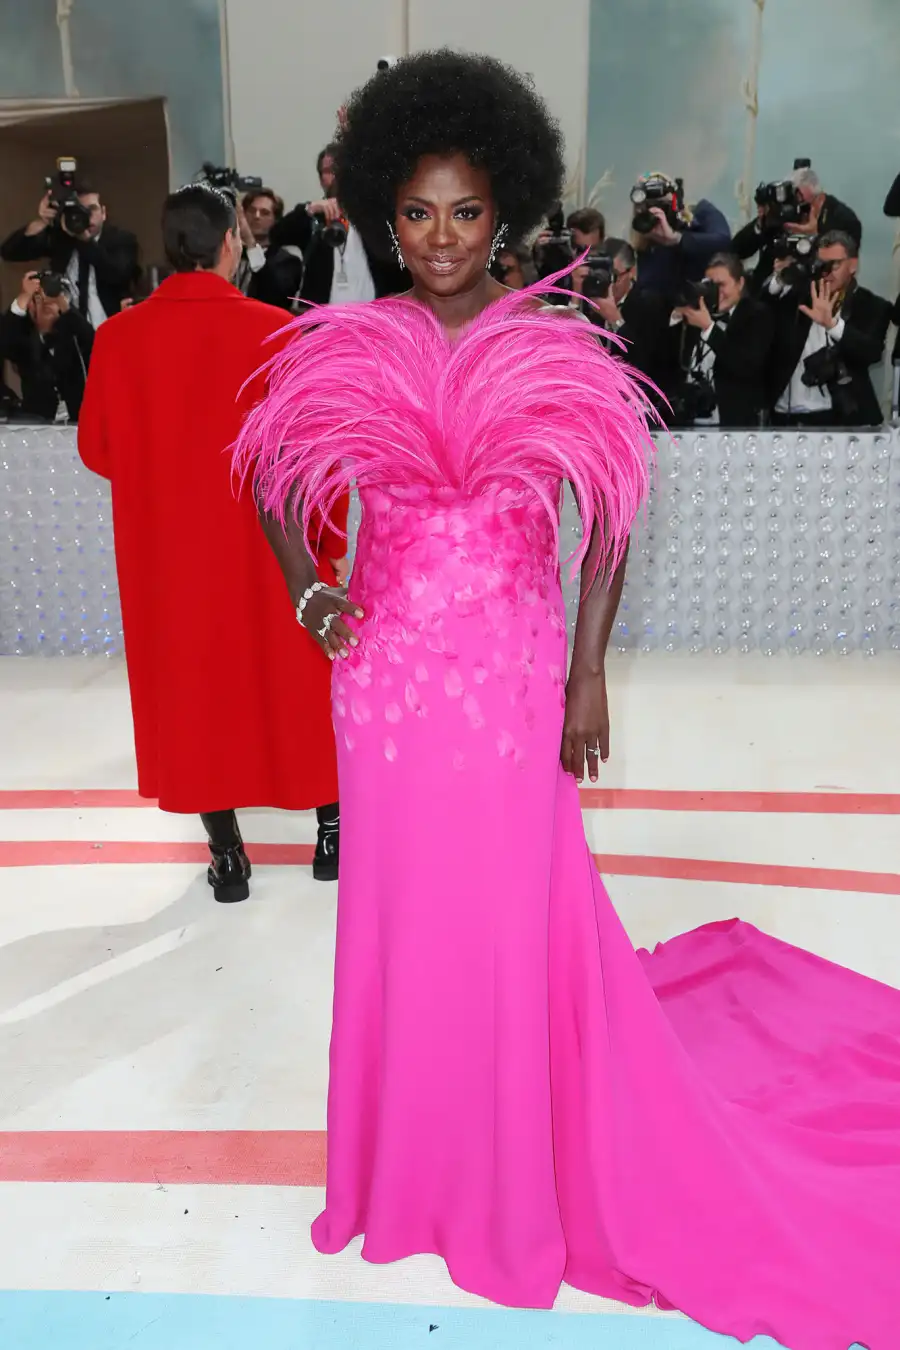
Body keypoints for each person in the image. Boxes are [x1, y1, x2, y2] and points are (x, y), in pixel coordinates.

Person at [236, 50, 900, 1349]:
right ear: (381, 211)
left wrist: (589, 670)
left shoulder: (550, 341)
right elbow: (268, 468)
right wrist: (308, 589)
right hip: (383, 687)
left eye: (466, 211)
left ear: (507, 210)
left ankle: (503, 1163)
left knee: (501, 912)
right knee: (400, 915)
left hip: (508, 675)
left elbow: (608, 515)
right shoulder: (358, 337)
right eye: (416, 211)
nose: (440, 237)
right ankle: (405, 1164)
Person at [78, 184, 346, 897]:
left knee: (193, 693)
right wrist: (329, 536)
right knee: (298, 678)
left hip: (169, 555)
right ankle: (332, 834)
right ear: (231, 242)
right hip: (269, 552)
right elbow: (318, 453)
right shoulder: (279, 332)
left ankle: (227, 855)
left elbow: (99, 450)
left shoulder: (118, 338)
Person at [766, 230, 891, 427]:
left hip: (840, 418)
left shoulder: (872, 305)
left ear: (853, 265)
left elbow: (871, 352)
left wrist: (833, 325)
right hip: (786, 416)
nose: (826, 271)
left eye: (835, 264)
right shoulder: (797, 297)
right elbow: (759, 312)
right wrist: (781, 278)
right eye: (820, 264)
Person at [268, 145, 407, 305]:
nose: (336, 177)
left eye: (341, 170)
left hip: (372, 314)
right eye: (328, 171)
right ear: (321, 179)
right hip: (323, 315)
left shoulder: (375, 217)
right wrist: (309, 209)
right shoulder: (313, 216)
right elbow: (276, 235)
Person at [1, 180, 139, 326]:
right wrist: (42, 221)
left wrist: (84, 239)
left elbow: (118, 274)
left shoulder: (122, 240)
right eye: (80, 211)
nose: (87, 216)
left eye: (92, 209)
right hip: (68, 333)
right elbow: (9, 252)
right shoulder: (62, 239)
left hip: (112, 328)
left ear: (103, 213)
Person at [674, 253, 774, 427]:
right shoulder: (698, 315)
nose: (716, 292)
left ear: (740, 283)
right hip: (691, 420)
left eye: (721, 285)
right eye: (709, 285)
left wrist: (709, 329)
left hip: (734, 421)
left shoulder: (757, 314)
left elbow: (746, 365)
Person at [0, 270, 94, 422]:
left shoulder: (74, 336)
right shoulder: (24, 340)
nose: (45, 303)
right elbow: (5, 342)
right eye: (37, 298)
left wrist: (64, 305)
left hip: (78, 421)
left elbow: (92, 339)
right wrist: (24, 297)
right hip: (37, 421)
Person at [630, 173, 731, 306]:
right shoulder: (647, 249)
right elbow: (651, 292)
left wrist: (677, 239)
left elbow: (724, 242)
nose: (657, 213)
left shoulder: (702, 214)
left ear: (676, 202)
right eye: (648, 207)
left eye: (662, 205)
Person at [582, 237, 668, 393]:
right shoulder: (589, 298)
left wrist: (616, 320)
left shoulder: (651, 304)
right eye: (602, 275)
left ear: (632, 271)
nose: (608, 283)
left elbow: (645, 365)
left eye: (614, 275)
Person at [235, 187, 305, 311]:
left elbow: (277, 296)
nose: (256, 216)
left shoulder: (288, 261)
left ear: (275, 220)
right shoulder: (233, 255)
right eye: (251, 211)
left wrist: (250, 242)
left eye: (264, 213)